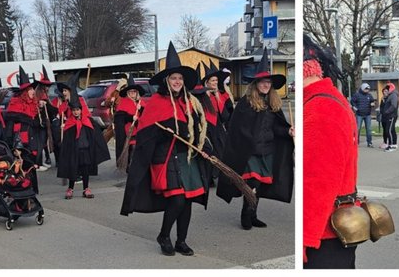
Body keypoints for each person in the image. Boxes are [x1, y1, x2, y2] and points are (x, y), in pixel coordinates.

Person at [121, 43, 215, 256]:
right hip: (166, 158)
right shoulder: (156, 102)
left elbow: (200, 129)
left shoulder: (189, 102)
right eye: (173, 78)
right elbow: (145, 134)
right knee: (178, 199)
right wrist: (164, 131)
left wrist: (206, 148)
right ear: (166, 81)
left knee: (188, 199)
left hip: (187, 157)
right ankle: (164, 235)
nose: (177, 82)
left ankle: (181, 240)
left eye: (180, 79)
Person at [303, 35, 361, 268]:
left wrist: (305, 239)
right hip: (330, 230)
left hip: (324, 235)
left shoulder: (321, 106)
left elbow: (317, 181)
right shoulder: (323, 99)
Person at [218, 58, 294, 230]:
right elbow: (236, 128)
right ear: (256, 84)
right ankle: (246, 214)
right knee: (252, 185)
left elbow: (276, 127)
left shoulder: (272, 104)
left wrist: (287, 131)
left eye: (268, 82)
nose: (266, 85)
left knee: (259, 187)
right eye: (263, 82)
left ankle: (253, 214)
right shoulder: (246, 104)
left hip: (266, 152)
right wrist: (248, 142)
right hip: (249, 153)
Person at [55, 81, 109, 199]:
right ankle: (70, 188)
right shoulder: (69, 120)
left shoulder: (86, 120)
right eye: (74, 110)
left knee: (85, 169)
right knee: (73, 168)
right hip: (74, 148)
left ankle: (86, 188)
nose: (76, 112)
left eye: (77, 110)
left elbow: (92, 131)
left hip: (85, 147)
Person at [113, 80, 145, 165]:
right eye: (130, 92)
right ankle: (129, 164)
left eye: (134, 91)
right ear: (127, 93)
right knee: (132, 147)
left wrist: (141, 108)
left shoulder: (141, 102)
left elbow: (146, 115)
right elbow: (119, 117)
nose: (132, 93)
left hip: (140, 129)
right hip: (128, 131)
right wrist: (131, 117)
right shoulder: (124, 102)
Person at [351, 82, 375, 148]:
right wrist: (354, 107)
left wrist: (372, 103)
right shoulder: (357, 95)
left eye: (368, 89)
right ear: (362, 88)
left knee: (369, 129)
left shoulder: (369, 95)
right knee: (358, 129)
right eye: (366, 89)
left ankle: (369, 142)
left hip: (367, 114)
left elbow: (372, 101)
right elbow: (352, 101)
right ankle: (356, 142)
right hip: (359, 115)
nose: (367, 90)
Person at [378, 82, 399, 151]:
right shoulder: (391, 95)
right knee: (392, 130)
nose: (386, 90)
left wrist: (386, 112)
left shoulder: (393, 95)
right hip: (389, 115)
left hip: (391, 115)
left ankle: (391, 145)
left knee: (389, 130)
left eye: (388, 88)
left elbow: (393, 106)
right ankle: (394, 144)